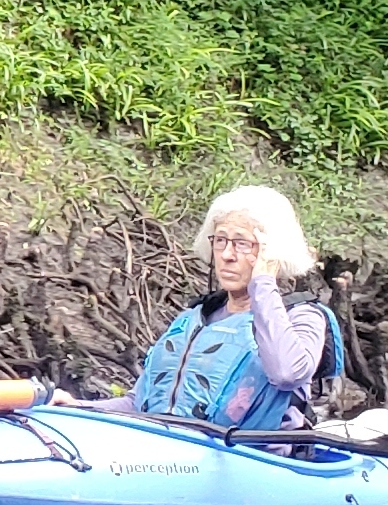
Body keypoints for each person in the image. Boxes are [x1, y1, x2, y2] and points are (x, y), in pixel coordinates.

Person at [81, 184, 340, 429]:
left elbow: (287, 373)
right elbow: (136, 405)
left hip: (251, 461)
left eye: (241, 243)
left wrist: (263, 281)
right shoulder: (194, 318)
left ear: (271, 253)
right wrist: (80, 409)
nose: (227, 254)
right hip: (170, 456)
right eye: (221, 240)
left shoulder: (303, 316)